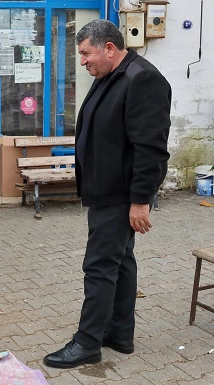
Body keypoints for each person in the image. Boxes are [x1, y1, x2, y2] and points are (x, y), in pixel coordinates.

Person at [43, 19, 171, 368]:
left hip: (120, 195)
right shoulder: (110, 76)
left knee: (99, 266)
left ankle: (87, 343)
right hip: (105, 190)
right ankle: (119, 333)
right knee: (121, 262)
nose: (83, 61)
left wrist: (140, 201)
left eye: (86, 53)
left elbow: (151, 149)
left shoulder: (141, 79)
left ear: (109, 48)